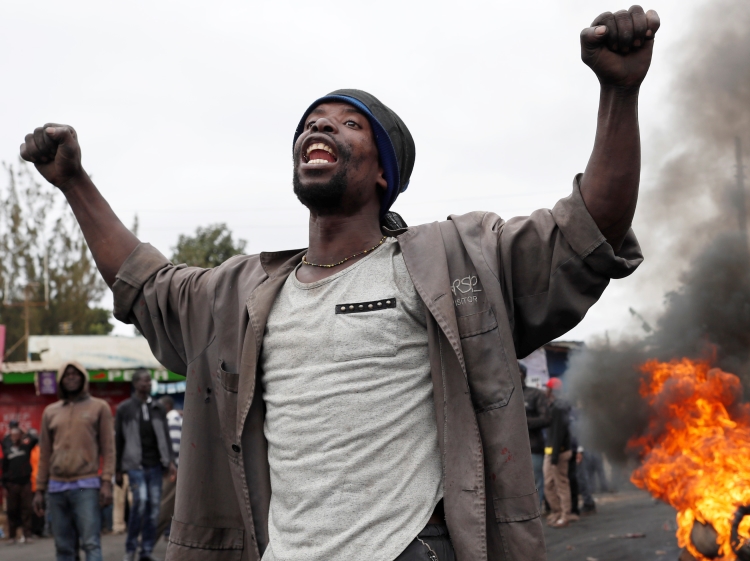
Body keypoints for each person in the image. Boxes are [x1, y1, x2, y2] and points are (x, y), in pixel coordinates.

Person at [19, 7, 656, 559]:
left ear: (385, 174)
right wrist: (75, 183)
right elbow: (146, 283)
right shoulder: (240, 294)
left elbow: (586, 231)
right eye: (311, 121)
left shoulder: (450, 260)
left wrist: (618, 93)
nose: (319, 127)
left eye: (348, 124)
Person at [34, 362, 115, 561]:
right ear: (60, 381)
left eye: (75, 374)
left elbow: (109, 448)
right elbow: (44, 453)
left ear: (84, 378)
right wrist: (39, 489)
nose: (71, 377)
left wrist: (106, 482)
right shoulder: (50, 412)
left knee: (91, 543)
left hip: (86, 486)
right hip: (56, 488)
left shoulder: (99, 407)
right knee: (63, 547)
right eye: (66, 375)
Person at [115, 369, 176, 561]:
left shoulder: (158, 408)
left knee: (154, 509)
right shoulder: (125, 408)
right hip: (135, 465)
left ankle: (146, 551)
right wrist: (117, 468)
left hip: (156, 466)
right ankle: (130, 549)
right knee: (140, 503)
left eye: (149, 380)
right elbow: (119, 440)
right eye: (143, 381)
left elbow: (165, 437)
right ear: (135, 384)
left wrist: (170, 462)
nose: (147, 384)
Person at [544, 378, 576, 528]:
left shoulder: (559, 407)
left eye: (548, 388)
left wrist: (555, 455)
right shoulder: (554, 406)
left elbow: (558, 433)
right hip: (550, 451)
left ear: (552, 390)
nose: (546, 390)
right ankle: (556, 513)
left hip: (558, 452)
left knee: (561, 484)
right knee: (548, 484)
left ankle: (565, 515)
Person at [2, 420, 39, 543]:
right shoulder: (6, 447)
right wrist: (4, 482)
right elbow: (4, 466)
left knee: (27, 509)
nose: (15, 437)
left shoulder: (26, 446)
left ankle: (27, 535)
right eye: (13, 434)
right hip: (12, 483)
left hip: (25, 482)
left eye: (17, 434)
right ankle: (12, 536)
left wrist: (24, 432)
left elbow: (35, 439)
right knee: (12, 510)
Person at [521, 364, 550, 511]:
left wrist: (523, 422)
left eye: (518, 372)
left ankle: (536, 512)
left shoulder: (535, 394)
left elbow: (546, 419)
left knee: (536, 482)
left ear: (523, 375)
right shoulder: (506, 395)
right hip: (512, 450)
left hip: (533, 447)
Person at [156, 395, 182, 542]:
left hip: (174, 470)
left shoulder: (171, 419)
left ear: (166, 407)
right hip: (176, 470)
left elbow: (175, 447)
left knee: (164, 506)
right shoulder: (175, 418)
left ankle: (146, 543)